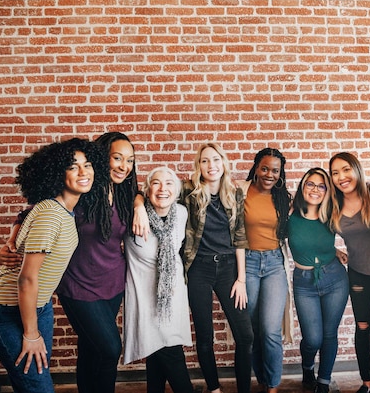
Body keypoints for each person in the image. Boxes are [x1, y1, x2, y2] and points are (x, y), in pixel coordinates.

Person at [0, 132, 148, 393]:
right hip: (77, 285)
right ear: (101, 159)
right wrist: (11, 240)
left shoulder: (126, 193)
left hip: (112, 284)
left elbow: (139, 192)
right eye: (117, 158)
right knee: (110, 347)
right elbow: (34, 212)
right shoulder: (82, 191)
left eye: (130, 160)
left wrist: (139, 205)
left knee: (92, 349)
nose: (124, 166)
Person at [0, 138, 107, 393]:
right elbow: (26, 279)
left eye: (88, 164)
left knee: (32, 385)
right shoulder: (51, 213)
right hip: (10, 314)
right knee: (38, 388)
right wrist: (31, 334)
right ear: (57, 173)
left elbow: (28, 217)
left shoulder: (65, 209)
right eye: (74, 167)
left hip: (39, 309)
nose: (84, 172)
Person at [182, 143, 254, 393]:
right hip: (198, 269)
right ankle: (214, 389)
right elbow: (150, 190)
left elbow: (240, 238)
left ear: (223, 163)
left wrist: (241, 279)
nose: (210, 165)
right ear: (198, 166)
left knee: (246, 336)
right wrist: (138, 206)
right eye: (204, 161)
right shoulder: (187, 192)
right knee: (205, 337)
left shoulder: (234, 195)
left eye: (215, 159)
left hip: (228, 269)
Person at [328, 152, 370, 393]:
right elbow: (317, 233)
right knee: (363, 327)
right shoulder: (332, 204)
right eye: (335, 173)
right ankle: (366, 382)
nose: (341, 177)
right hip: (357, 274)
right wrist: (335, 251)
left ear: (356, 169)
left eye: (345, 170)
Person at [123, 166, 194, 393]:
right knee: (168, 351)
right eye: (156, 183)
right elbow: (128, 192)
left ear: (177, 190)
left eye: (169, 183)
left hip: (173, 295)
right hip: (143, 295)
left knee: (161, 350)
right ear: (146, 189)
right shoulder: (133, 215)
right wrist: (138, 205)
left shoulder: (182, 213)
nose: (163, 188)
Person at [288, 167, 349, 393]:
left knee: (329, 334)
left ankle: (323, 383)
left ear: (327, 191)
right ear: (303, 186)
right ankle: (307, 368)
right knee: (312, 339)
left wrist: (335, 252)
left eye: (321, 186)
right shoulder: (289, 214)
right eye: (310, 184)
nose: (315, 189)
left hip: (334, 279)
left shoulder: (331, 214)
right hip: (304, 283)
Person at [237, 148, 294, 393]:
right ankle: (260, 376)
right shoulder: (239, 191)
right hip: (247, 263)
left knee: (271, 329)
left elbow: (312, 220)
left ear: (280, 174)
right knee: (252, 329)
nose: (269, 174)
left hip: (274, 265)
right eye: (265, 168)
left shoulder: (284, 198)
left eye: (275, 170)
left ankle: (272, 386)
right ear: (256, 168)